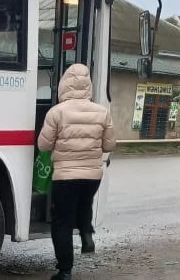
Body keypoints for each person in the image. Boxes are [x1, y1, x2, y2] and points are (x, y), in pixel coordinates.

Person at [38, 63, 116, 280]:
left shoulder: (56, 113)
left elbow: (43, 145)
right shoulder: (102, 112)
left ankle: (65, 271)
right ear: (88, 85)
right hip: (92, 176)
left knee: (62, 221)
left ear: (64, 84)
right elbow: (110, 146)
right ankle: (86, 234)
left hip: (65, 176)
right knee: (84, 203)